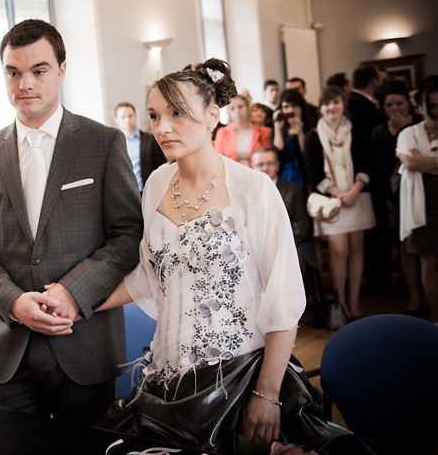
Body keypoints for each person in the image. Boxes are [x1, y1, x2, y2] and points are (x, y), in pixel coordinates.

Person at [88, 60, 362, 454]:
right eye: (155, 116)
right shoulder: (156, 184)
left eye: (177, 113)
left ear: (212, 116)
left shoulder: (253, 189)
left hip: (241, 375)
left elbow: (284, 301)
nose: (163, 127)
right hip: (167, 379)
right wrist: (80, 304)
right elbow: (150, 275)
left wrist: (267, 395)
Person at [0, 19, 143, 425]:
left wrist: (74, 292)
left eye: (38, 70)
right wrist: (13, 301)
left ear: (62, 70)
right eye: (13, 72)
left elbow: (129, 234)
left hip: (84, 342)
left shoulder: (103, 142)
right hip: (10, 350)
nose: (25, 84)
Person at [304, 86, 376, 320]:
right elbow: (312, 170)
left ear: (343, 104)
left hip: (357, 196)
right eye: (326, 104)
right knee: (338, 251)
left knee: (357, 248)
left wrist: (353, 191)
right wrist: (338, 194)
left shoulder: (356, 131)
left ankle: (354, 301)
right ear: (321, 108)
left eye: (336, 102)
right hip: (330, 202)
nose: (331, 107)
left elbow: (366, 164)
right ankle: (340, 301)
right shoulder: (314, 135)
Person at [371, 81, 420, 313]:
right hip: (391, 196)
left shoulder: (417, 128)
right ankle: (414, 295)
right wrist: (390, 201)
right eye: (389, 105)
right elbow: (379, 169)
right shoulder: (379, 132)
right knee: (403, 246)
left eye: (399, 103)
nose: (394, 108)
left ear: (408, 104)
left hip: (417, 193)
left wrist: (405, 129)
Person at [251, 148, 318, 304]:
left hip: (292, 244)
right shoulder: (247, 192)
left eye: (270, 163)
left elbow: (301, 225)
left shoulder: (294, 189)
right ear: (252, 167)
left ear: (277, 166)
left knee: (288, 263)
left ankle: (287, 307)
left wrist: (278, 246)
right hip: (257, 247)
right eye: (260, 164)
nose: (265, 168)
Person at [397, 83, 438, 324]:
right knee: (429, 263)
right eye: (432, 105)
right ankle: (436, 319)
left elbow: (416, 162)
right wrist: (421, 162)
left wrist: (425, 161)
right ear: (422, 107)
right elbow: (409, 163)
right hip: (423, 205)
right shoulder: (409, 133)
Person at [114, 101, 167, 192]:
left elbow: (162, 167)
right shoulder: (114, 144)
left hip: (149, 191)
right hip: (125, 193)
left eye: (130, 116)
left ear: (135, 116)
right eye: (123, 117)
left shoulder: (150, 140)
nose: (127, 120)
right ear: (116, 120)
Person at [213, 94, 272, 167]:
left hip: (257, 171)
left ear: (248, 108)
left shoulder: (264, 131)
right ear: (229, 113)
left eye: (240, 107)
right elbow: (219, 160)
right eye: (233, 108)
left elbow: (268, 159)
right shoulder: (222, 132)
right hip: (231, 172)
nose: (237, 111)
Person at [272, 89, 312, 185]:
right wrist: (277, 128)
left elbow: (305, 153)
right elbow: (278, 151)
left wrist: (300, 132)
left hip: (305, 173)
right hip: (285, 175)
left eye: (294, 106)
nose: (290, 110)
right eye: (286, 107)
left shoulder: (309, 127)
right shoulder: (280, 128)